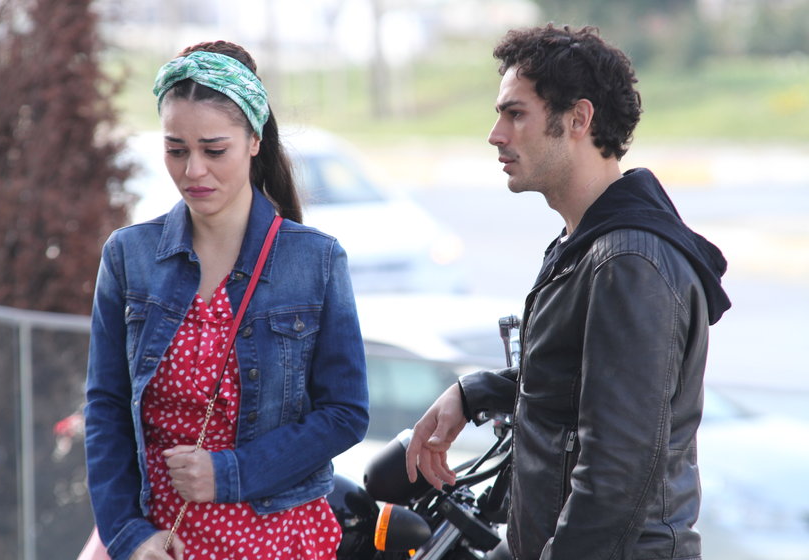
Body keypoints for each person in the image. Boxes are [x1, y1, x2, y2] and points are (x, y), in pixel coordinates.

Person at [405, 24, 731, 560]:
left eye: (515, 114)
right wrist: (476, 392)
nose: (496, 135)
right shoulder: (588, 243)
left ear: (579, 119)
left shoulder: (629, 262)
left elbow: (616, 473)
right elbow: (579, 386)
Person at [83, 40, 369, 560]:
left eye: (214, 150)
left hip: (281, 542)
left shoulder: (316, 259)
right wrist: (128, 534)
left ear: (254, 141)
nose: (193, 170)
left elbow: (345, 414)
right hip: (161, 542)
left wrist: (229, 473)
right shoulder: (128, 256)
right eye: (176, 150)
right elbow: (106, 409)